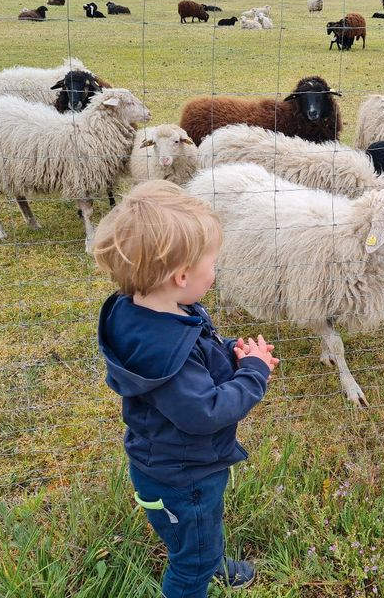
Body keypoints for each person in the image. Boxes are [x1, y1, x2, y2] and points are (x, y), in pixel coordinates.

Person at [92, 180, 279, 595]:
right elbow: (204, 412)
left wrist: (232, 352)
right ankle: (201, 568)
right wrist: (253, 372)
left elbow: (199, 345)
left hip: (172, 464)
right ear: (181, 276)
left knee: (202, 530)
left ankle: (212, 559)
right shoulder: (166, 352)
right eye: (212, 263)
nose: (216, 271)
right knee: (188, 564)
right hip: (182, 476)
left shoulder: (149, 309)